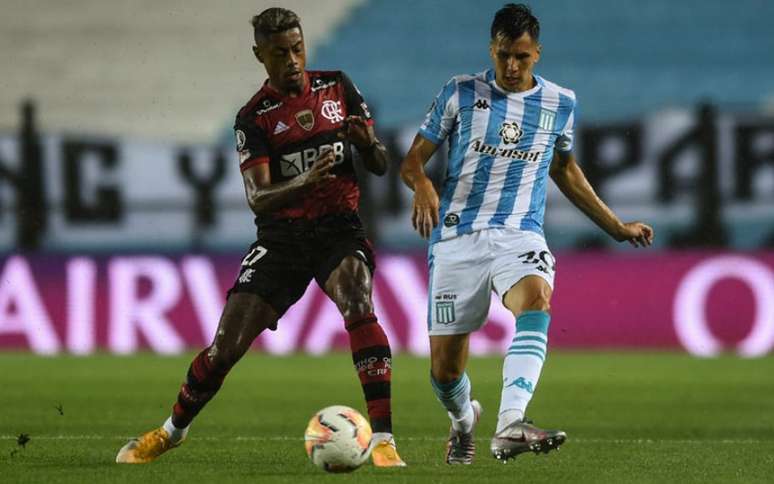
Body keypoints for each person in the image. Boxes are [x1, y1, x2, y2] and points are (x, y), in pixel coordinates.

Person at [116, 7, 406, 467]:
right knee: (224, 347)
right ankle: (171, 431)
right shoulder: (254, 117)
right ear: (260, 56)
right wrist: (305, 180)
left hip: (338, 228)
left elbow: (379, 164)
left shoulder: (338, 86)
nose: (291, 59)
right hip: (281, 239)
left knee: (357, 300)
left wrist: (367, 144)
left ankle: (384, 440)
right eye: (279, 53)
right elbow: (258, 196)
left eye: (297, 48)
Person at [400, 3, 654, 465]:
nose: (512, 67)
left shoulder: (560, 103)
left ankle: (509, 423)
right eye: (503, 56)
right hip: (458, 238)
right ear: (491, 50)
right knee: (444, 371)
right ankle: (464, 422)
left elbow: (564, 168)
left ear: (537, 52)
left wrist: (615, 226)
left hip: (521, 234)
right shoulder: (459, 93)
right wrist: (421, 184)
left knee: (536, 299)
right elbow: (412, 159)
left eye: (521, 56)